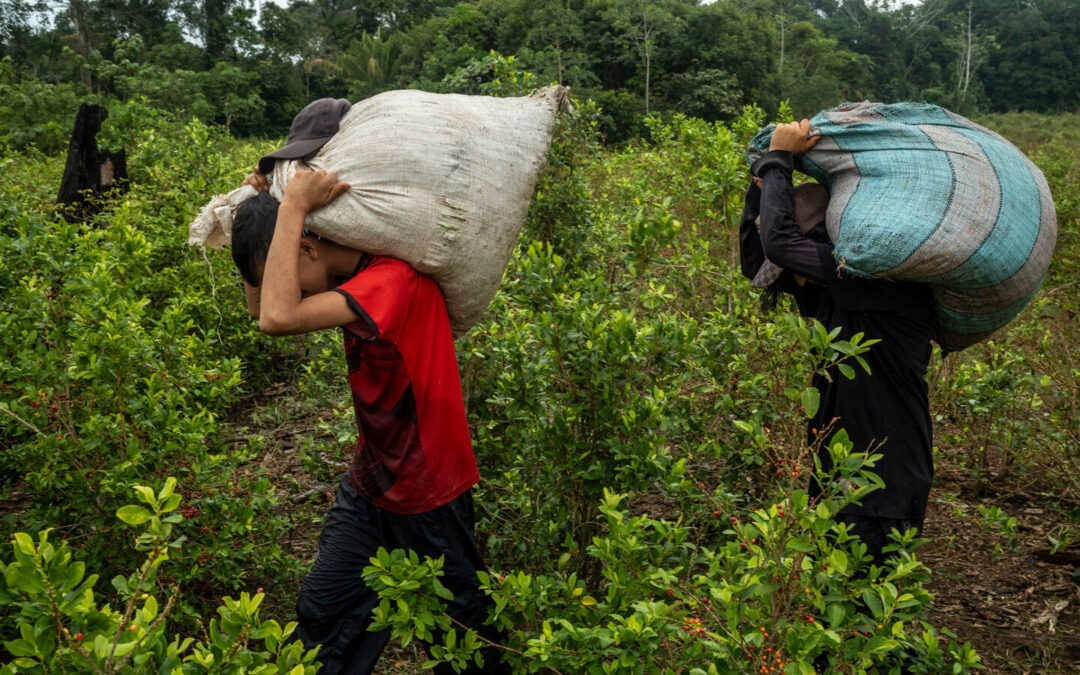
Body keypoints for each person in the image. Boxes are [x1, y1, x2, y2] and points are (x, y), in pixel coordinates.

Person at [231, 99, 507, 674]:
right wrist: (261, 208)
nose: (283, 278)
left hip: (429, 490)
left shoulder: (392, 280)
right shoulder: (351, 273)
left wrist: (289, 215)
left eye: (289, 253)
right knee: (324, 616)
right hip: (373, 480)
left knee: (461, 639)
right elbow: (266, 302)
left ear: (307, 245)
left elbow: (277, 317)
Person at [739, 119, 937, 568]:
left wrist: (779, 160)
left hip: (880, 488)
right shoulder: (830, 291)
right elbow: (759, 260)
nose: (793, 280)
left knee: (864, 616)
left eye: (801, 260)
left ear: (828, 245)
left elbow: (780, 245)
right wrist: (760, 185)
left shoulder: (877, 280)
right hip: (841, 479)